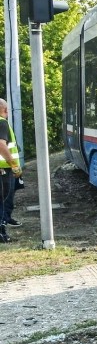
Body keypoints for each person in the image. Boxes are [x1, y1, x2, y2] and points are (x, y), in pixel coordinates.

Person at [0, 98, 22, 243]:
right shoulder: (2, 122)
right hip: (3, 169)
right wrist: (14, 164)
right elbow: (1, 145)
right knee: (2, 200)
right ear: (4, 109)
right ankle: (1, 233)